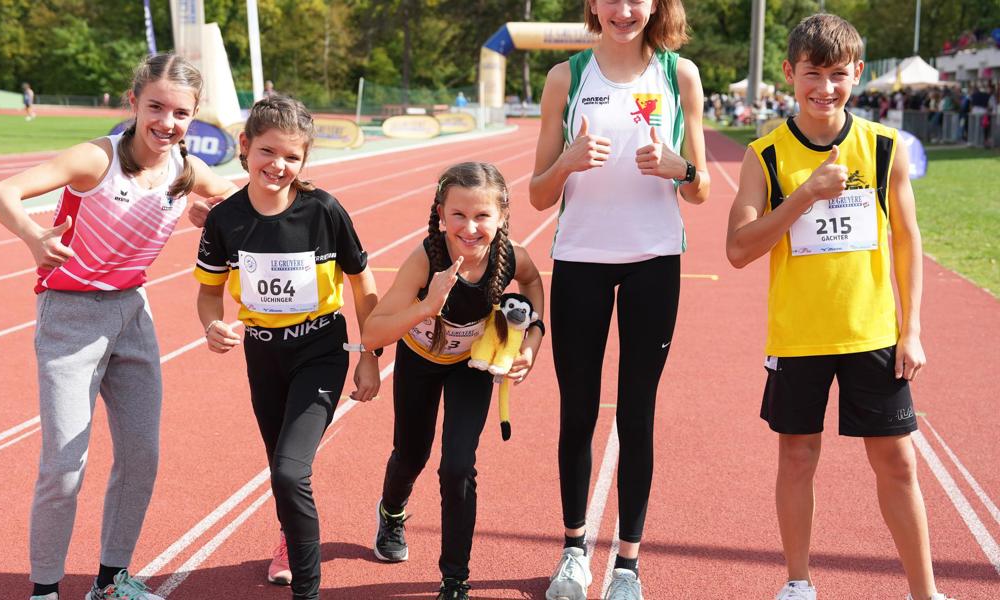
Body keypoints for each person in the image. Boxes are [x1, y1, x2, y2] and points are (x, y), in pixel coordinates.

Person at [0, 53, 238, 600]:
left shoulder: (186, 167)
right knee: (64, 467)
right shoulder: (95, 159)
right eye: (156, 107)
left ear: (194, 117)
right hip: (70, 319)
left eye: (181, 113)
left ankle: (110, 580)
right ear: (133, 103)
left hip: (133, 315)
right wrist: (34, 237)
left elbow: (235, 196)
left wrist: (208, 211)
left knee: (142, 455)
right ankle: (45, 590)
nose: (168, 122)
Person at [724, 14, 953, 600]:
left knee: (898, 465)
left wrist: (913, 329)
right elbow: (738, 250)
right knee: (798, 458)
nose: (824, 88)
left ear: (857, 72)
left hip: (872, 333)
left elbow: (907, 239)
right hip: (799, 337)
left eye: (837, 74)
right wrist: (804, 195)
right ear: (788, 74)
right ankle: (799, 584)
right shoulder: (765, 156)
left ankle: (924, 593)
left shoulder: (883, 146)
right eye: (812, 74)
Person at [528, 0, 709, 598]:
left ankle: (628, 565)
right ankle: (574, 552)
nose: (624, 9)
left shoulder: (680, 73)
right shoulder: (567, 77)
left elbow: (702, 186)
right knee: (577, 412)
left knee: (637, 414)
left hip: (654, 263)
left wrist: (678, 167)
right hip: (579, 259)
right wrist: (567, 163)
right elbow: (534, 193)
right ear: (592, 6)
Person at [194, 94, 380, 600]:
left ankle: (308, 589)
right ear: (245, 147)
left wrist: (369, 355)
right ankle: (289, 537)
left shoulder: (323, 210)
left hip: (319, 349)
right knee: (280, 465)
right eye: (268, 152)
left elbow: (363, 286)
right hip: (263, 354)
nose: (279, 165)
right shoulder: (225, 219)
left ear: (305, 160)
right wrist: (213, 327)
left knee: (289, 469)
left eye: (292, 157)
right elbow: (209, 294)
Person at [362, 162, 544, 600]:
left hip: (469, 366)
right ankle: (391, 512)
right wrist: (427, 306)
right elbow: (372, 332)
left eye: (482, 216)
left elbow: (534, 282)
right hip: (420, 359)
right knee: (411, 455)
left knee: (458, 466)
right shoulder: (426, 258)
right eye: (458, 215)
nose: (470, 227)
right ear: (441, 213)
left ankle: (455, 579)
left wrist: (532, 342)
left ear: (501, 216)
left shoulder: (511, 256)